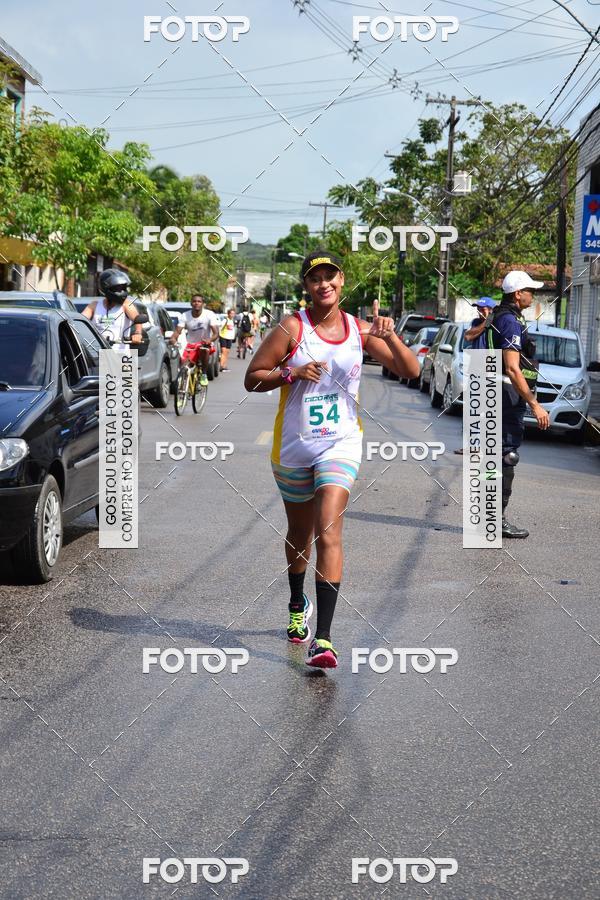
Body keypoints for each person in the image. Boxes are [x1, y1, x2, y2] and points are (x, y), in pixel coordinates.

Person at [244, 251, 420, 669]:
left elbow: (410, 370)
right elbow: (253, 378)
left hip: (340, 444)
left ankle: (323, 639)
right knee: (299, 535)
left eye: (330, 276)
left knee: (328, 531)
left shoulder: (361, 330)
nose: (323, 283)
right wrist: (290, 374)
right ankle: (295, 600)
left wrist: (391, 335)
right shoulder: (292, 327)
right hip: (293, 448)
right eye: (314, 278)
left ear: (342, 281)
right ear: (306, 285)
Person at [486, 271, 549, 538]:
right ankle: (495, 521)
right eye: (529, 290)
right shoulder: (510, 322)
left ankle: (488, 519)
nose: (532, 295)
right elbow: (512, 368)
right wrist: (534, 404)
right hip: (506, 394)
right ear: (517, 294)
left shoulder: (500, 316)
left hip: (496, 392)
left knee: (496, 457)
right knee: (506, 455)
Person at [83, 268, 143, 345]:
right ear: (106, 288)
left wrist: (138, 333)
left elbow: (137, 319)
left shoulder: (126, 305)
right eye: (117, 288)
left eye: (123, 288)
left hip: (120, 353)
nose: (121, 291)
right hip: (96, 351)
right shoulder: (94, 305)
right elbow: (80, 319)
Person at [171, 295, 219, 387]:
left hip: (204, 343)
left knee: (204, 350)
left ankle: (204, 374)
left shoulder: (209, 315)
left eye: (199, 301)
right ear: (191, 303)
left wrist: (209, 340)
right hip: (190, 345)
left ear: (203, 304)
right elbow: (177, 331)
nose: (196, 303)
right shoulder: (185, 315)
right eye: (194, 301)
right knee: (185, 366)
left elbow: (216, 333)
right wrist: (173, 339)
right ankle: (184, 386)